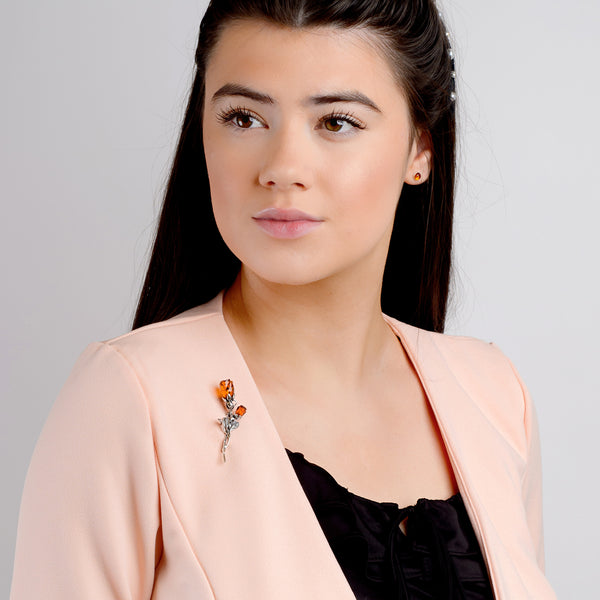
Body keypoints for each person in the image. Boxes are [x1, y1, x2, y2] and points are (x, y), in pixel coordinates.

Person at [10, 0, 557, 598]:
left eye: (336, 122)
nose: (282, 168)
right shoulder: (129, 398)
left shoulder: (494, 395)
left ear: (419, 150)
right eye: (244, 118)